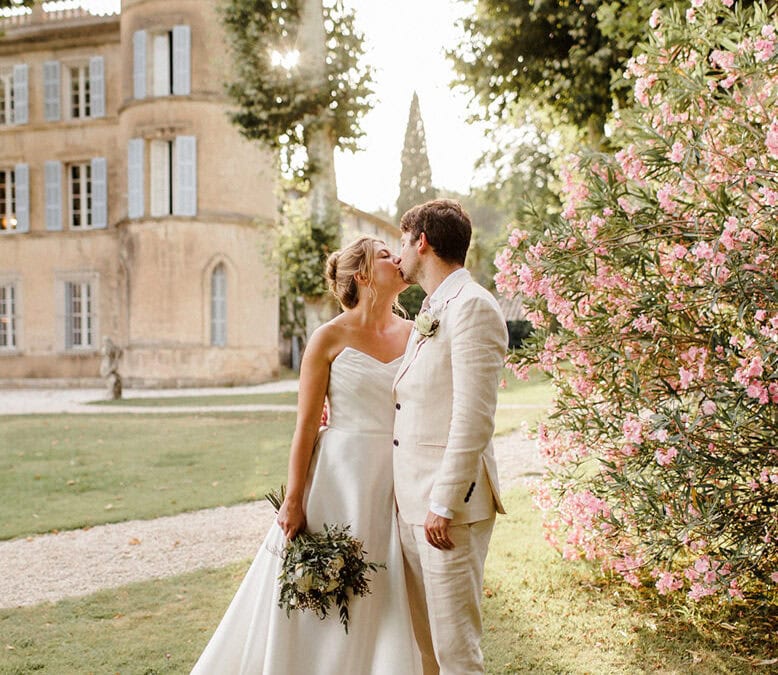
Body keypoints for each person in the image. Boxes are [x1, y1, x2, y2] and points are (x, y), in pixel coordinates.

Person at [191, 236, 422, 674]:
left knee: (388, 587)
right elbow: (306, 425)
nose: (399, 258)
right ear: (364, 275)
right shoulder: (328, 338)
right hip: (338, 479)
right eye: (387, 255)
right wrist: (294, 500)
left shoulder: (416, 334)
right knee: (324, 589)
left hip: (396, 476)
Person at [392, 199, 508, 675]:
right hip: (413, 506)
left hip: (448, 513)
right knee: (426, 651)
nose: (398, 254)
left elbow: (473, 417)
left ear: (423, 242)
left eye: (402, 242)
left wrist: (444, 502)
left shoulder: (473, 307)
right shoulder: (434, 307)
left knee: (456, 653)